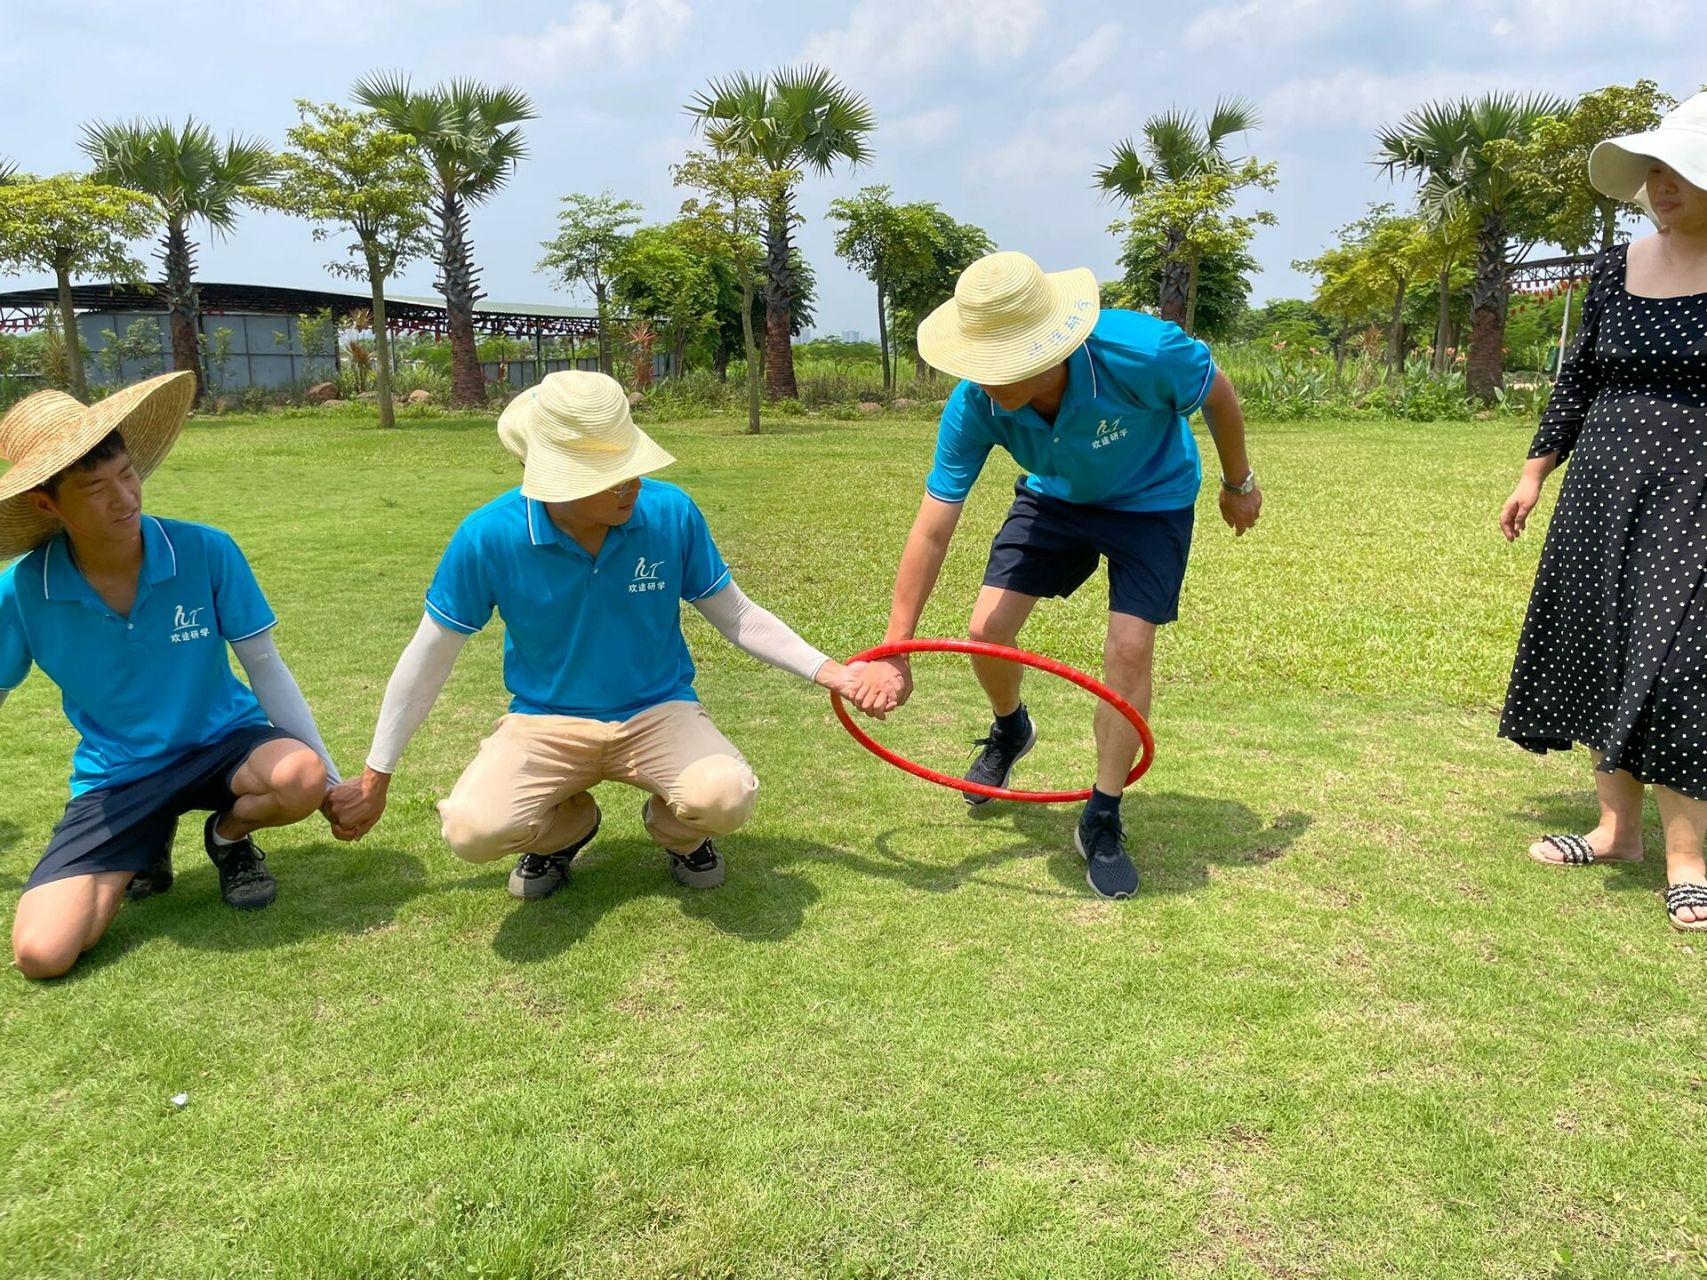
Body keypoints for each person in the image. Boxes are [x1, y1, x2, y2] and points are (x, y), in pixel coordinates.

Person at [325, 371, 871, 897]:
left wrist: (833, 672)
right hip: (544, 720)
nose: (632, 482)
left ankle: (680, 831)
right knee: (472, 830)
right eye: (609, 474)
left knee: (724, 797)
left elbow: (738, 615)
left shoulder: (669, 513)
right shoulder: (487, 537)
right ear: (550, 479)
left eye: (631, 462)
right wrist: (377, 776)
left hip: (659, 710)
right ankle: (567, 826)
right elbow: (429, 657)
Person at [847, 252, 1261, 899]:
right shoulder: (974, 405)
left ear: (1046, 350)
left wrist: (1239, 483)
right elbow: (932, 525)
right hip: (1054, 499)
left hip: (1152, 502)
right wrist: (894, 650)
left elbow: (1215, 389)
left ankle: (1101, 814)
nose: (980, 379)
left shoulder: (1145, 352)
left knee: (1128, 648)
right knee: (985, 630)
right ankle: (1011, 727)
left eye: (997, 364)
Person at [0, 373, 341, 979]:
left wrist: (332, 784)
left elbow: (265, 667)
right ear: (47, 503)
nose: (125, 498)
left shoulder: (206, 550)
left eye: (127, 474)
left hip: (223, 746)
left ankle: (229, 838)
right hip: (120, 776)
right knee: (42, 954)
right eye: (96, 488)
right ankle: (144, 846)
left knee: (300, 777)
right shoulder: (24, 589)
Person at [1499, 91, 1707, 933]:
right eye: (1651, 172)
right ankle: (1617, 832)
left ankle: (1688, 860)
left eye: (1678, 172)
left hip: (1694, 484)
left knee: (1681, 656)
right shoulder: (1614, 268)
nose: (1660, 186)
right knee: (1602, 639)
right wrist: (1532, 473)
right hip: (1603, 483)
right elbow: (1577, 379)